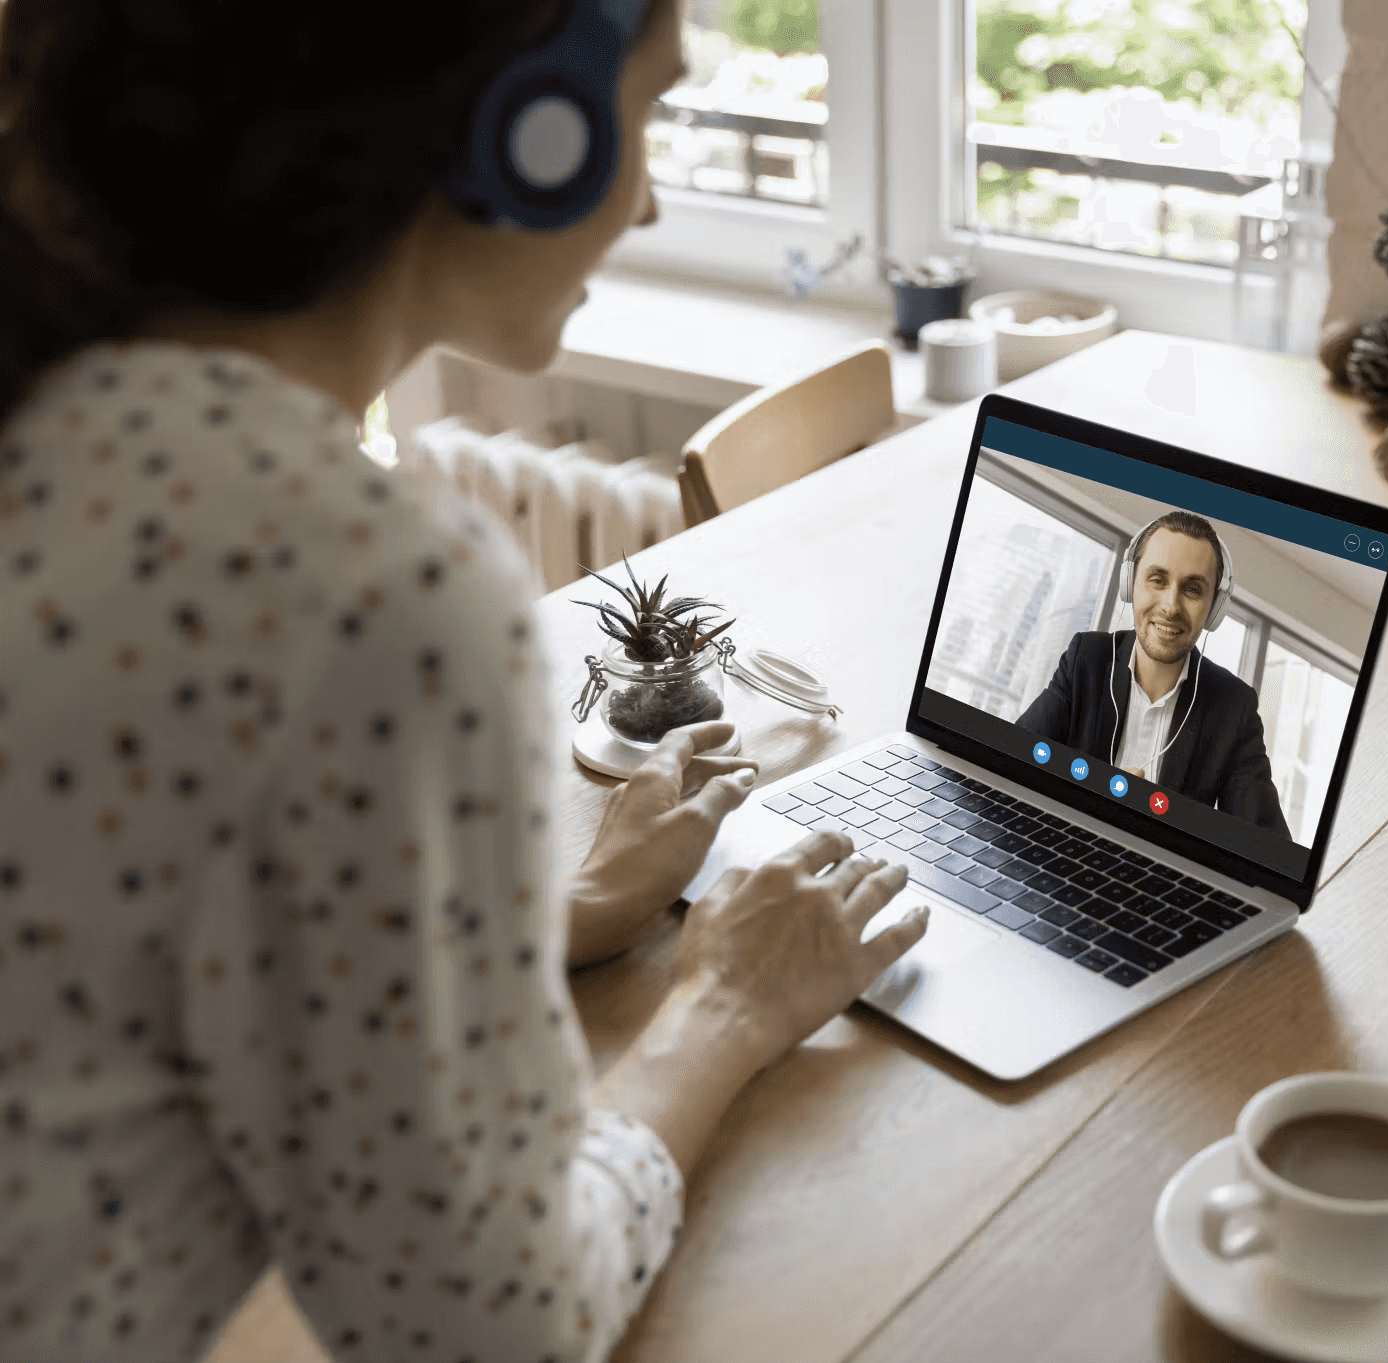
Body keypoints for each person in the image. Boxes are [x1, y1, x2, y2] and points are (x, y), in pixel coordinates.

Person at [0, 2, 927, 1360]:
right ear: (527, 129)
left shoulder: (76, 414)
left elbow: (120, 922)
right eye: (648, 109)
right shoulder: (353, 579)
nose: (651, 193)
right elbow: (486, 1323)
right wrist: (719, 1010)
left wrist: (553, 910)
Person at [1017, 512, 1288, 836]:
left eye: (1191, 589)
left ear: (1214, 608)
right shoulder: (1086, 659)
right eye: (1157, 580)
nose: (1171, 606)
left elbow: (1266, 846)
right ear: (1131, 583)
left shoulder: (1233, 706)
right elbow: (1014, 759)